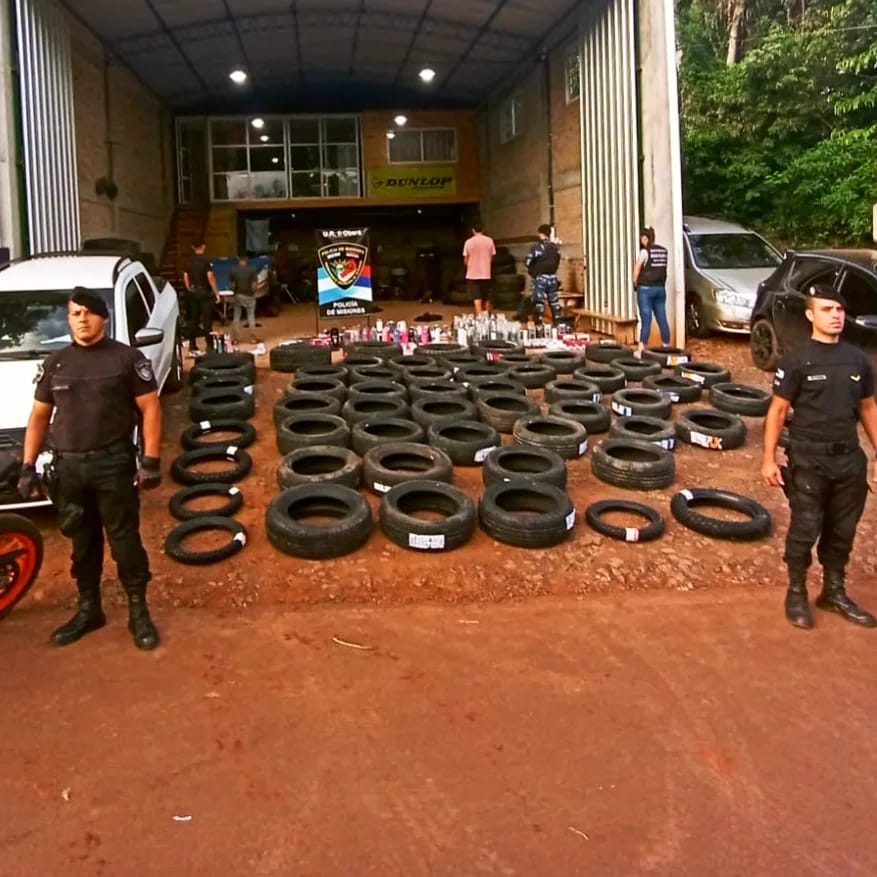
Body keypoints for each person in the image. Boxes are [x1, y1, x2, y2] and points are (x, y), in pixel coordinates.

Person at [17, 288, 162, 650]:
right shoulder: (56, 363)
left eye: (88, 313)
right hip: (69, 469)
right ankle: (89, 609)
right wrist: (27, 466)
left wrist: (151, 461)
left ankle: (138, 611)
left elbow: (150, 410)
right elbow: (39, 417)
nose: (81, 319)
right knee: (82, 544)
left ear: (103, 318)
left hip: (112, 465)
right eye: (74, 314)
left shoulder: (126, 359)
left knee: (124, 541)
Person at [761, 283, 877, 630]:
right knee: (805, 527)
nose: (836, 316)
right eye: (827, 310)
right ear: (811, 315)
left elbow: (868, 408)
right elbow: (778, 410)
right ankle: (796, 591)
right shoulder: (797, 360)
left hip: (848, 462)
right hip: (809, 461)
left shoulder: (858, 360)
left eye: (839, 310)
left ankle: (834, 591)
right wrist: (768, 459)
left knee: (842, 531)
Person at [632, 226, 671, 358]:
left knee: (646, 318)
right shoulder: (663, 251)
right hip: (660, 289)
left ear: (645, 238)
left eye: (642, 238)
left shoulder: (644, 252)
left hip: (646, 289)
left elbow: (637, 269)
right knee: (662, 318)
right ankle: (666, 345)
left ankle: (641, 349)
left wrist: (635, 283)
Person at [182, 241, 219, 357]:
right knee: (207, 320)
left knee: (193, 320)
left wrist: (189, 289)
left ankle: (192, 345)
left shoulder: (189, 261)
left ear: (193, 247)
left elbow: (186, 277)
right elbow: (210, 277)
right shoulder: (206, 261)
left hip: (193, 293)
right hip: (205, 293)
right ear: (204, 247)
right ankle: (209, 345)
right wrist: (216, 292)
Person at [523, 224, 561, 326]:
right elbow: (557, 261)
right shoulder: (555, 248)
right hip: (553, 278)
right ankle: (557, 324)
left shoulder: (537, 248)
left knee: (539, 303)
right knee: (554, 303)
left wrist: (533, 271)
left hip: (540, 279)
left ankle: (538, 325)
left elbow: (527, 262)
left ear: (540, 234)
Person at [463, 222, 496, 316]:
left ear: (473, 230)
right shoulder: (489, 241)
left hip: (472, 274)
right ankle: (488, 318)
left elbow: (466, 259)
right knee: (486, 297)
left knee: (477, 298)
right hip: (486, 273)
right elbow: (492, 256)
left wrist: (470, 265)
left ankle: (480, 319)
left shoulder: (468, 242)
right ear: (483, 230)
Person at [228, 251, 260, 345]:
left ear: (237, 257)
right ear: (247, 258)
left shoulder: (233, 269)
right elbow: (254, 284)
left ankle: (236, 339)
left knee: (236, 317)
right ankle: (253, 338)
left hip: (238, 295)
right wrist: (253, 292)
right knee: (251, 316)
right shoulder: (252, 269)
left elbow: (231, 285)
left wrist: (234, 293)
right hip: (249, 295)